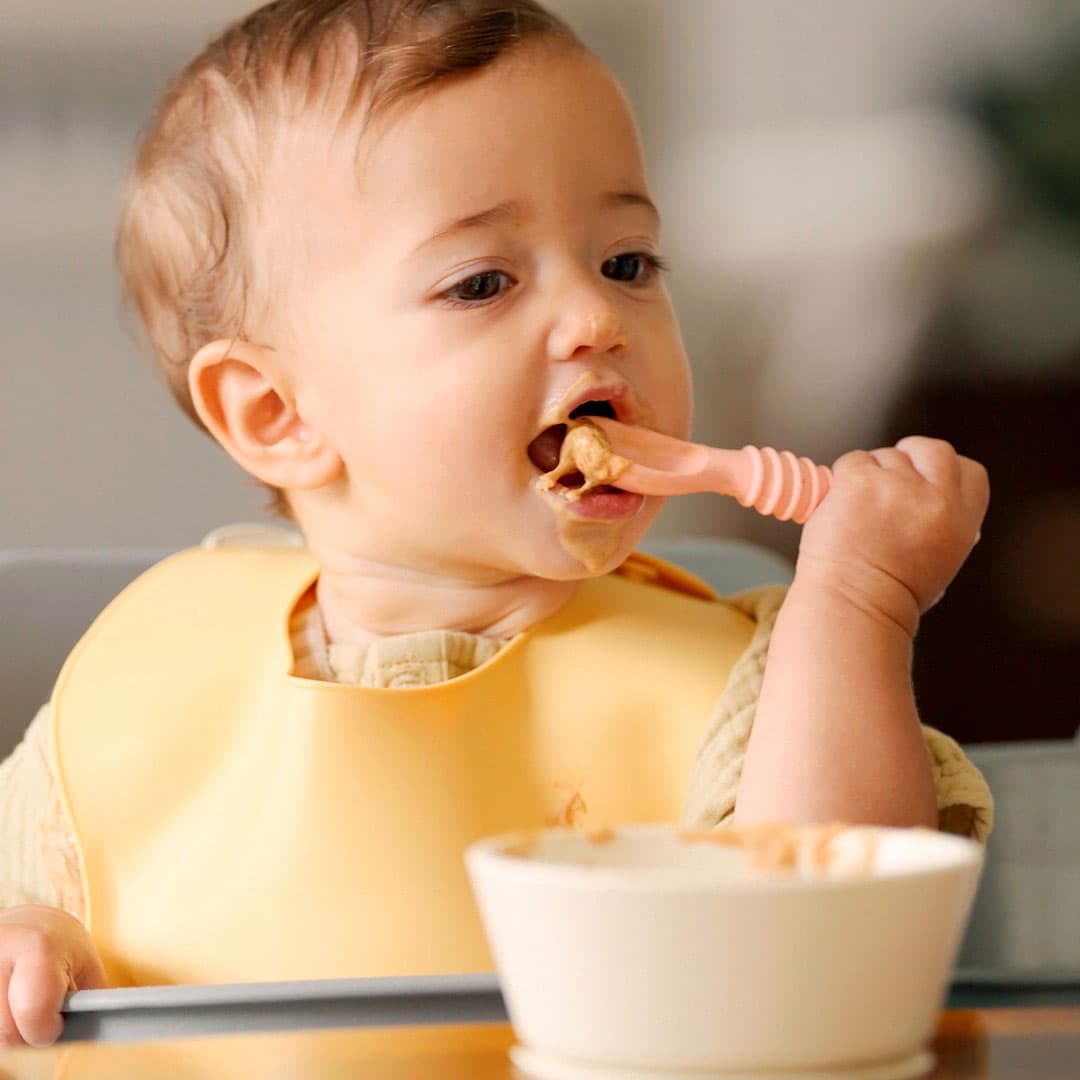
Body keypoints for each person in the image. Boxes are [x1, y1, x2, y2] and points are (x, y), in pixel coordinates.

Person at [0, 0, 991, 1049]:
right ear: (279, 416)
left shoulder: (767, 691)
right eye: (482, 282)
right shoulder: (146, 675)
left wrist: (857, 604)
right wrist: (29, 933)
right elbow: (27, 897)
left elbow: (833, 971)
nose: (598, 319)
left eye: (627, 262)